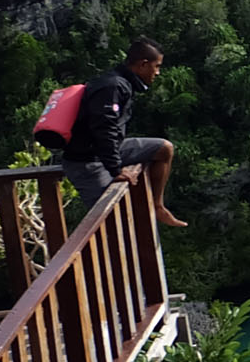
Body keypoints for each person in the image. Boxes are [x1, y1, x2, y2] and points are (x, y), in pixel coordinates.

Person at [62, 36, 187, 229]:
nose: (158, 72)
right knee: (113, 220)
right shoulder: (112, 86)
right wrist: (115, 169)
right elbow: (104, 129)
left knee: (164, 149)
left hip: (108, 150)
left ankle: (158, 206)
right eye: (157, 66)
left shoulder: (121, 83)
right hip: (88, 161)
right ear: (143, 65)